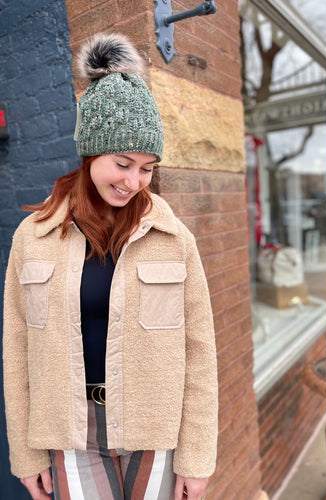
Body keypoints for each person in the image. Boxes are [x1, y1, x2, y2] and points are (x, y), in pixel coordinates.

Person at [3, 33, 218, 500]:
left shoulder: (174, 239)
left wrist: (197, 457)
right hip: (68, 431)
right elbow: (18, 352)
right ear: (90, 153)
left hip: (156, 431)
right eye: (122, 163)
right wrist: (26, 453)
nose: (133, 181)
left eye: (146, 168)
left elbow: (199, 354)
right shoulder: (33, 238)